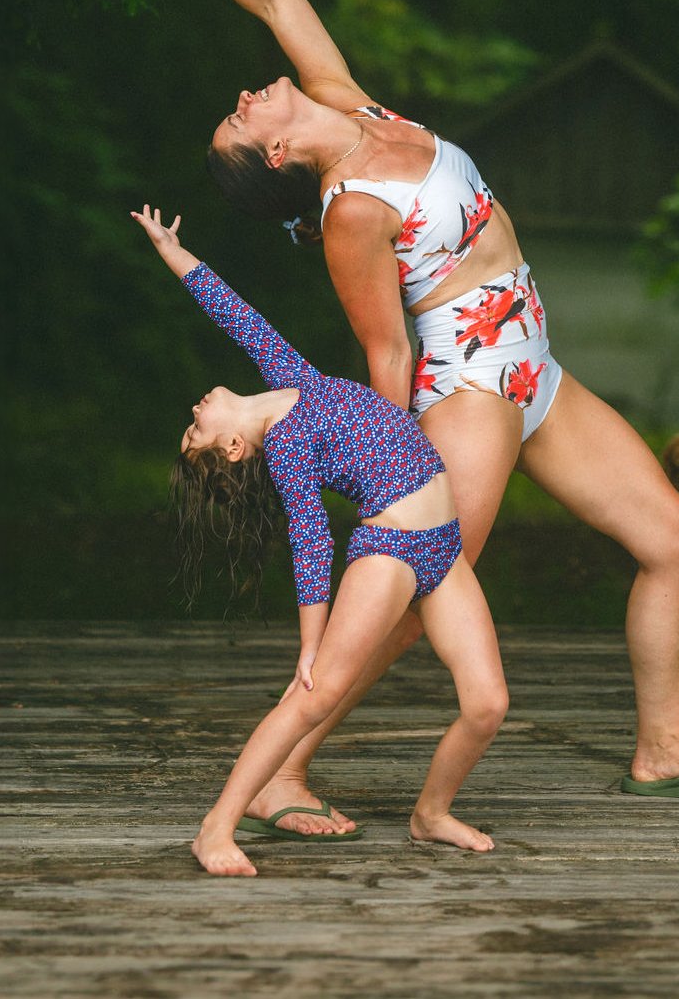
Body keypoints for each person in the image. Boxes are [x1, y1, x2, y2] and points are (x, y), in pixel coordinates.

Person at [90, 0, 679, 826]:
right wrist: (394, 469)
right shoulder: (350, 212)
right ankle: (285, 768)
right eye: (242, 119)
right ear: (275, 159)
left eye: (238, 105)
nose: (246, 95)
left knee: (675, 539)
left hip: (534, 369)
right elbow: (384, 351)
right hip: (469, 389)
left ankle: (663, 748)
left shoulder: (352, 109)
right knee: (415, 586)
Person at [130, 204, 509, 873]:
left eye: (190, 423)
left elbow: (233, 311)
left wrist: (169, 248)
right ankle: (216, 828)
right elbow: (310, 543)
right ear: (237, 447)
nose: (193, 412)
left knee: (487, 704)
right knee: (319, 694)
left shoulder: (292, 378)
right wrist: (311, 643)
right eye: (196, 433)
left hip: (443, 552)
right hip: (391, 552)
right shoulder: (287, 449)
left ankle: (431, 814)